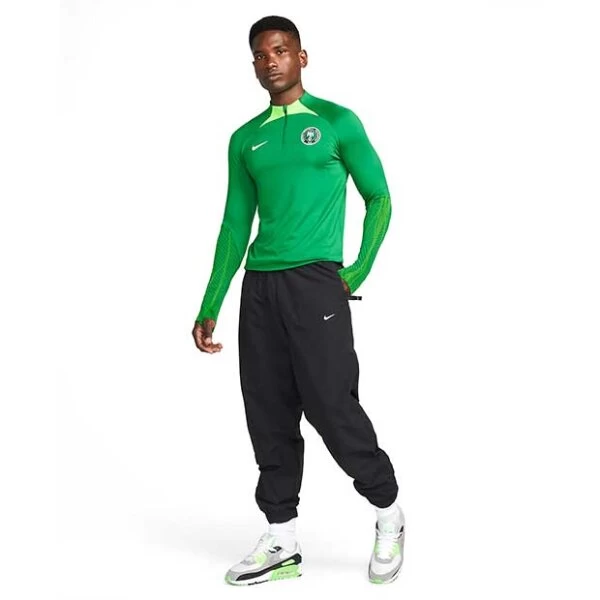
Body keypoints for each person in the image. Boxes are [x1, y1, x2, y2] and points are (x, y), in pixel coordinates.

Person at [192, 15, 405, 586]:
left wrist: (356, 268)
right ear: (253, 65)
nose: (272, 62)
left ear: (302, 56)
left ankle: (388, 511)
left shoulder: (336, 121)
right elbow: (234, 225)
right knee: (267, 410)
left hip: (315, 283)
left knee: (332, 407)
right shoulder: (245, 139)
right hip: (260, 287)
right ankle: (281, 537)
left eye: (281, 50)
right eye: (261, 55)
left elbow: (380, 197)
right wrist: (211, 303)